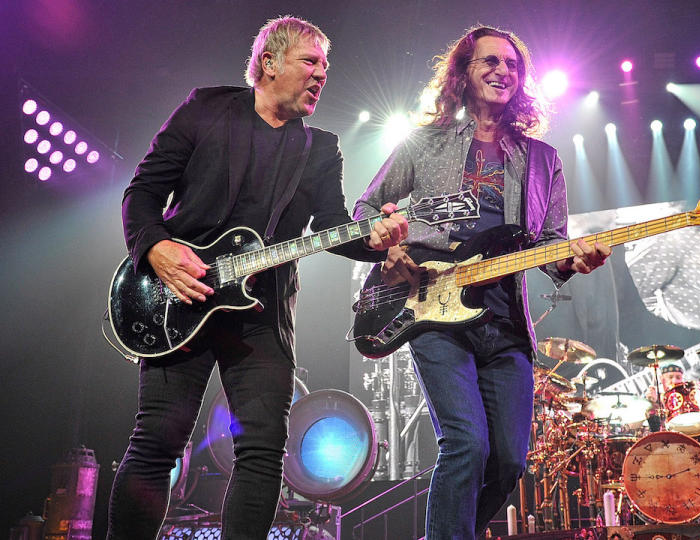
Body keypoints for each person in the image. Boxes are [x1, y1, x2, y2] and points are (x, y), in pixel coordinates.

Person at [108, 16, 408, 540]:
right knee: (158, 439)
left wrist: (374, 241)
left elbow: (334, 228)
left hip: (260, 311)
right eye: (310, 62)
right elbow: (143, 192)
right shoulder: (205, 108)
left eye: (326, 67)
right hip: (176, 296)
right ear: (268, 62)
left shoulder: (320, 147)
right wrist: (155, 248)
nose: (322, 75)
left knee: (264, 448)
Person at [354, 25, 610, 539]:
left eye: (513, 65)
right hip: (431, 306)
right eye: (489, 62)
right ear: (463, 73)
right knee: (467, 443)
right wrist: (392, 243)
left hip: (505, 318)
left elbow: (549, 244)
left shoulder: (542, 159)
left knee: (511, 459)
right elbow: (365, 208)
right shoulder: (424, 143)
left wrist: (572, 260)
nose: (503, 72)